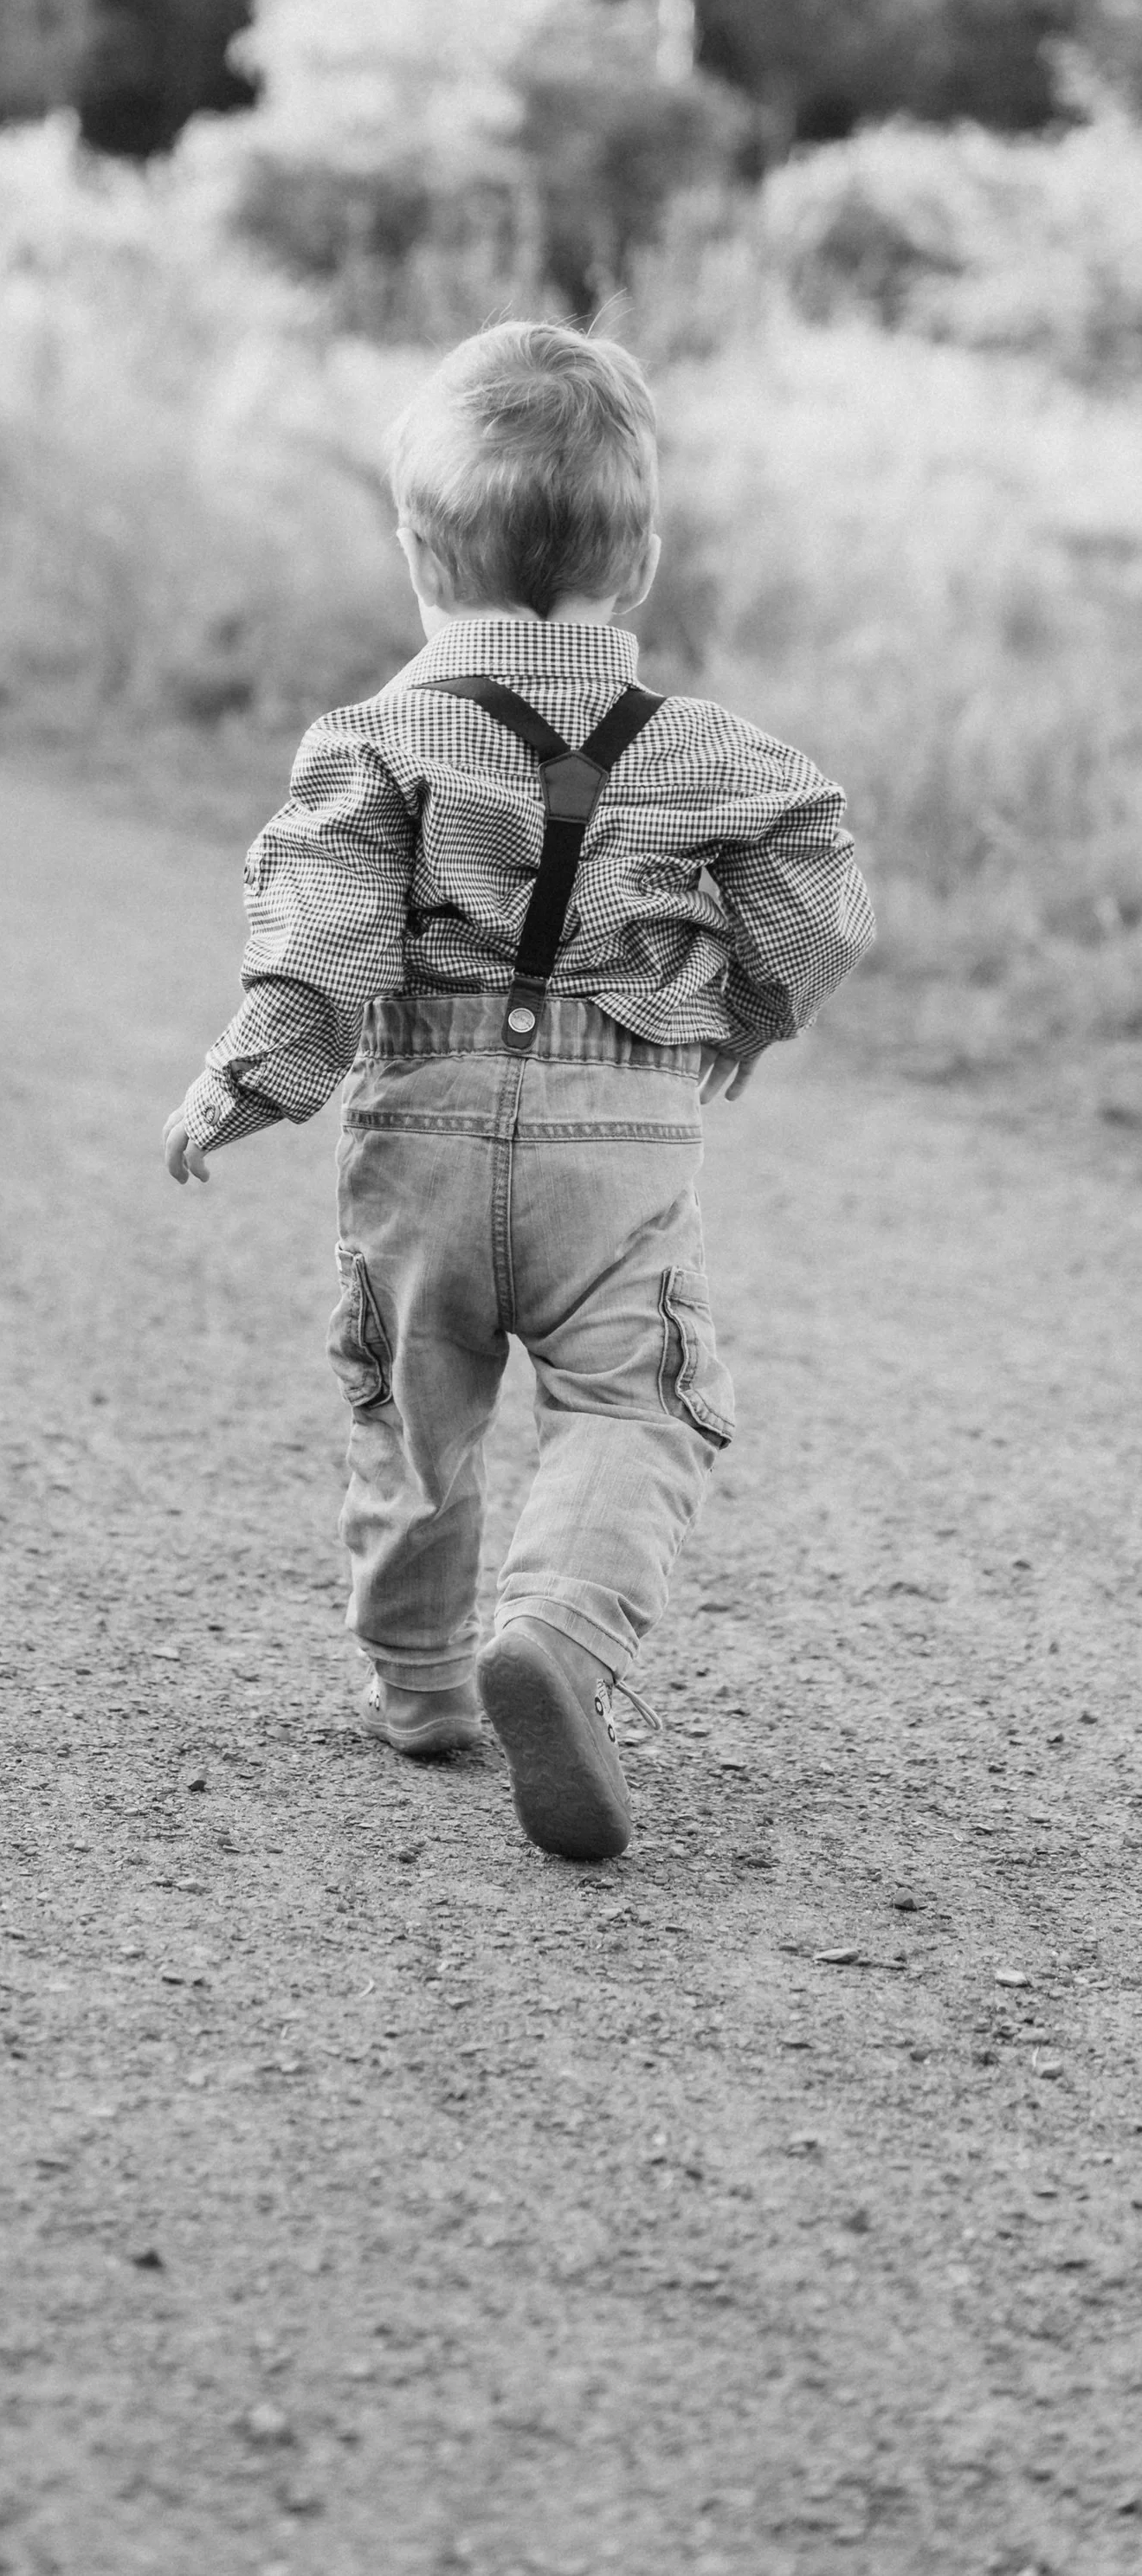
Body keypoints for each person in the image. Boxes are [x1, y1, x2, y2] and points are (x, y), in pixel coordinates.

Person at [163, 321, 874, 1861]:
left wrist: (257, 1071)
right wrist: (745, 1009)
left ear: (421, 553)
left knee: (415, 1400)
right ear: (643, 561)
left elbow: (328, 931)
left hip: (419, 1115)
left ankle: (422, 1685)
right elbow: (821, 897)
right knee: (638, 1400)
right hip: (617, 1142)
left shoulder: (377, 736)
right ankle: (556, 1628)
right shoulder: (724, 755)